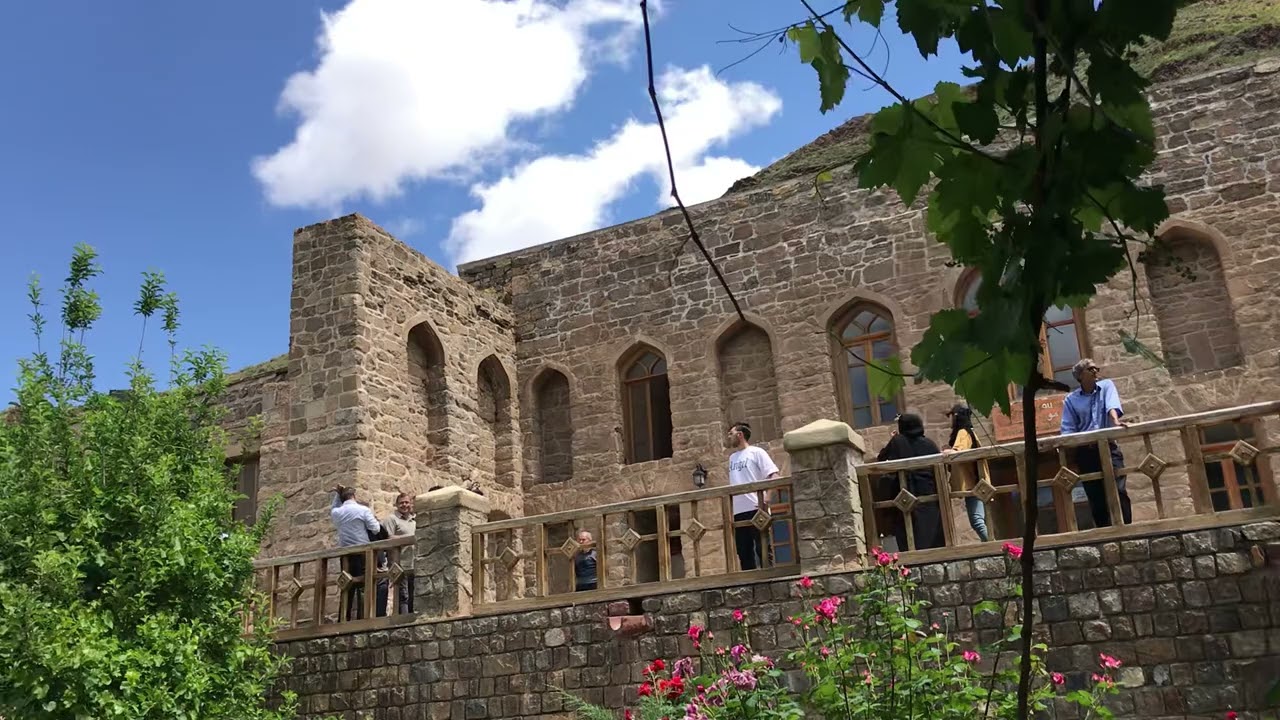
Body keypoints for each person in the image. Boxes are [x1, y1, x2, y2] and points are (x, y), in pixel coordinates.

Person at [1060, 358, 1133, 528]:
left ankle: (1128, 528)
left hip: (1108, 447)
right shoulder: (1071, 400)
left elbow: (1111, 406)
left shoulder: (1106, 386)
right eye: (1090, 369)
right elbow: (1068, 428)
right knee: (1095, 495)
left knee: (1119, 489)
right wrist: (1069, 452)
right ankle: (1104, 531)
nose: (1095, 371)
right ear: (1080, 376)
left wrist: (1115, 421)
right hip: (1087, 452)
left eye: (1096, 368)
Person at [876, 413, 946, 551]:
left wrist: (894, 439)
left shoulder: (898, 441)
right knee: (930, 530)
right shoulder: (929, 444)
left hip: (905, 494)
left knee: (908, 532)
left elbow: (882, 457)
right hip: (929, 494)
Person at [726, 421, 780, 571]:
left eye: (731, 433)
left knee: (762, 548)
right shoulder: (732, 458)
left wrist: (767, 498)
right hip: (738, 512)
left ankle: (769, 578)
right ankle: (750, 581)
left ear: (740, 435)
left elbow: (774, 475)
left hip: (756, 508)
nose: (728, 437)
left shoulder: (756, 452)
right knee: (743, 551)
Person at [330, 485, 385, 620]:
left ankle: (343, 619)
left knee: (346, 585)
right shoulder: (363, 510)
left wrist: (337, 494)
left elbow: (334, 507)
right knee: (366, 584)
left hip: (346, 554)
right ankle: (364, 617)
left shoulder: (337, 513)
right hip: (363, 552)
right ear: (354, 496)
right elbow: (376, 528)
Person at [942, 404, 990, 542]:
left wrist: (949, 452)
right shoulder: (968, 431)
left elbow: (959, 451)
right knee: (977, 520)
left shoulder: (963, 432)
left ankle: (999, 547)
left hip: (973, 482)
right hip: (974, 481)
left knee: (977, 521)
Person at [381, 492, 416, 614]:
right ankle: (403, 621)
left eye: (406, 502)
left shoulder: (414, 520)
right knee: (403, 596)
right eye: (401, 503)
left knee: (413, 594)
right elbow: (388, 538)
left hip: (413, 563)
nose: (404, 505)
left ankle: (412, 619)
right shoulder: (391, 519)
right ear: (396, 505)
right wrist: (409, 538)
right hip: (399, 563)